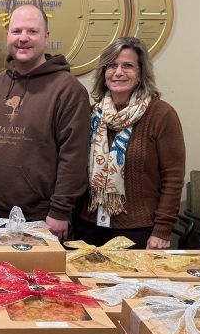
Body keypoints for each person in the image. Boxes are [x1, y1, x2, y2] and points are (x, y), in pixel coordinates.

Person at [0, 4, 91, 242]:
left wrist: (60, 210)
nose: (23, 39)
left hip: (42, 219)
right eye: (16, 31)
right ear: (7, 35)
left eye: (32, 31)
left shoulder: (68, 90)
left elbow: (74, 156)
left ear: (46, 37)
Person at [73, 37, 185, 249]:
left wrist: (162, 230)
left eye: (128, 66)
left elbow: (173, 177)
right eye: (112, 66)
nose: (118, 72)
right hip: (88, 228)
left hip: (139, 232)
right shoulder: (92, 114)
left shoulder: (161, 115)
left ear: (141, 73)